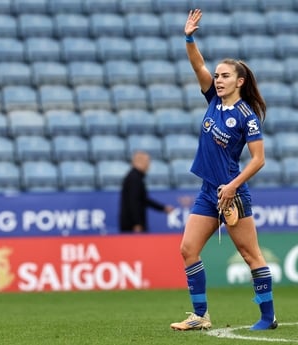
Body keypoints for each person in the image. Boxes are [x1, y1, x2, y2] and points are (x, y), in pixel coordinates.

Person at [169, 9, 277, 331]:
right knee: (187, 249)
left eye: (225, 76)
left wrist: (232, 186)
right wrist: (189, 37)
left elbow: (259, 159)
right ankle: (200, 315)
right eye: (217, 76)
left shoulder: (247, 116)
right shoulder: (213, 101)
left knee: (250, 255)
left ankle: (268, 317)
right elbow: (197, 65)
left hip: (233, 194)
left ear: (239, 81)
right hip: (208, 190)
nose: (217, 79)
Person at [119, 151, 173, 233]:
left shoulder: (135, 177)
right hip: (132, 226)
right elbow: (133, 202)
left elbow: (143, 199)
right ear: (140, 162)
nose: (149, 165)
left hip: (131, 224)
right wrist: (137, 223)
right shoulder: (134, 178)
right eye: (147, 161)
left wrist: (162, 208)